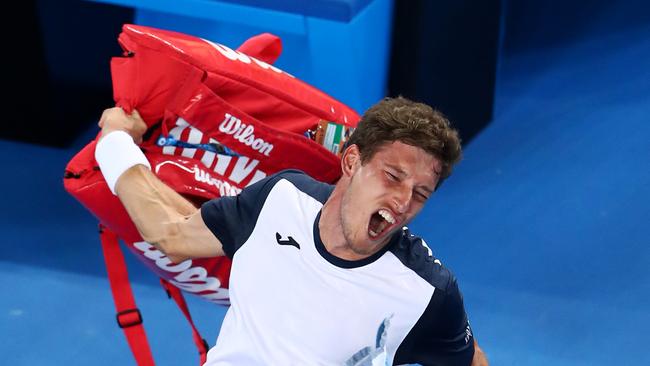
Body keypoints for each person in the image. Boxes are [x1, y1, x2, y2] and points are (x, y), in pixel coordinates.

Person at [94, 97, 489, 365]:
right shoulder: (280, 198)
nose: (403, 202)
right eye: (392, 177)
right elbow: (171, 234)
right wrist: (114, 141)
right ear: (352, 161)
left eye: (420, 193)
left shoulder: (424, 292)